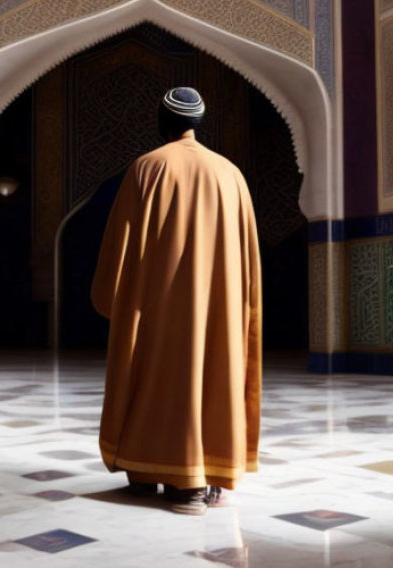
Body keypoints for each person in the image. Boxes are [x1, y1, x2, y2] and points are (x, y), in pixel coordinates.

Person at [91, 87, 262, 515]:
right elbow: (249, 260)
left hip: (157, 310)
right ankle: (201, 475)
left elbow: (122, 247)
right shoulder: (231, 175)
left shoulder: (148, 168)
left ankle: (157, 474)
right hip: (217, 313)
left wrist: (113, 298)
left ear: (162, 123)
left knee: (155, 382)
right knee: (211, 378)